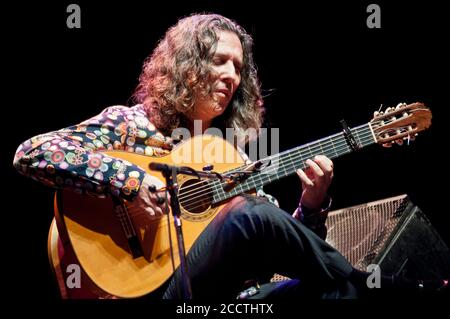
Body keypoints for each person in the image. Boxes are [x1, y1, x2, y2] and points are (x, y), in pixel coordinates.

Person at [13, 13, 446, 300]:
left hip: (226, 302)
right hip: (146, 293)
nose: (231, 77)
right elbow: (33, 152)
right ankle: (391, 288)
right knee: (250, 214)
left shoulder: (225, 157)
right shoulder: (132, 125)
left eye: (238, 68)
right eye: (219, 62)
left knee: (320, 290)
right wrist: (130, 181)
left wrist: (311, 206)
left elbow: (274, 252)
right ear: (186, 67)